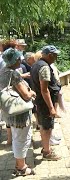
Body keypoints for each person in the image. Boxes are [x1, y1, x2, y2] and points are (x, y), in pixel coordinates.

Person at [0, 48, 36, 176]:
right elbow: (26, 95)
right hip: (19, 113)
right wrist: (31, 92)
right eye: (19, 58)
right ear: (15, 60)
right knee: (22, 139)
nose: (21, 60)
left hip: (10, 112)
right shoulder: (13, 74)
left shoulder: (3, 71)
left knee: (17, 137)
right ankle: (21, 168)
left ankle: (18, 164)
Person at [30, 45, 62, 161]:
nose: (56, 57)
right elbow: (44, 90)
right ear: (50, 55)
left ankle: (45, 148)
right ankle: (47, 153)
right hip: (44, 103)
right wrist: (51, 108)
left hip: (39, 101)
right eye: (55, 55)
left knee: (44, 126)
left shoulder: (36, 64)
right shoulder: (44, 67)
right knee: (47, 127)